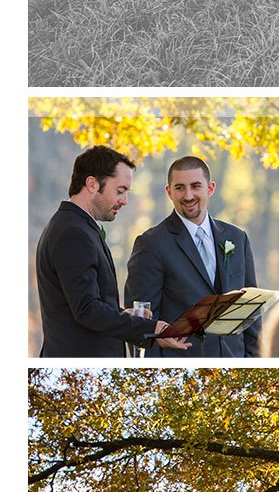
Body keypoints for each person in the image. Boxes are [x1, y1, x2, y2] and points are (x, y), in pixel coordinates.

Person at [35, 146, 190, 358]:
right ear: (92, 184)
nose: (125, 200)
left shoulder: (75, 226)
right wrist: (152, 329)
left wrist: (123, 314)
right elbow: (87, 310)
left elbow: (85, 303)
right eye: (120, 191)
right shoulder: (73, 232)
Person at [125, 156, 261, 357]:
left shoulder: (237, 238)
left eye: (195, 186)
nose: (188, 196)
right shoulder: (151, 244)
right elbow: (141, 321)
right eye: (180, 188)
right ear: (169, 192)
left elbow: (251, 309)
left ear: (210, 188)